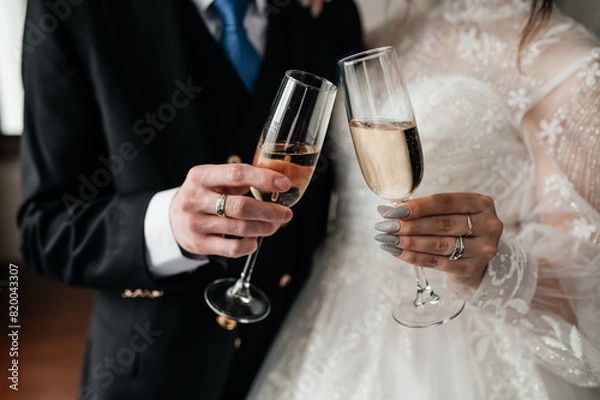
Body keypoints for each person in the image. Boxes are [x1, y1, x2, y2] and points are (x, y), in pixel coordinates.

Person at [247, 0, 600, 399]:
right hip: (330, 322)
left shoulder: (569, 62)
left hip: (462, 349)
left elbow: (588, 288)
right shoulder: (379, 28)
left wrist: (491, 270)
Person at [17, 0, 362, 398]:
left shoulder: (329, 11)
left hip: (305, 364)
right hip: (148, 373)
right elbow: (45, 227)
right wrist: (168, 225)